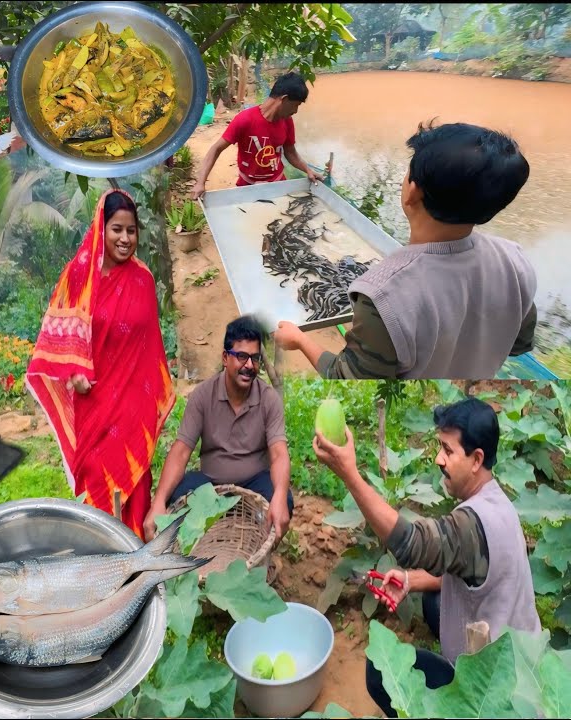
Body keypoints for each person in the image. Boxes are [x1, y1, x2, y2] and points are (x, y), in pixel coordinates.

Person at [312, 397, 541, 717]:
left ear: (476, 459)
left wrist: (349, 474)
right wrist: (411, 580)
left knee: (380, 673)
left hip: (495, 695)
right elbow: (467, 568)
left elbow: (410, 544)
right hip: (522, 662)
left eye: (448, 451)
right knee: (435, 602)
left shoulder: (473, 526)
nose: (438, 459)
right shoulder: (496, 503)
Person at [274, 121, 538, 380]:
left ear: (412, 191)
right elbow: (518, 344)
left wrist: (299, 340)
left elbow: (346, 376)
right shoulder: (516, 263)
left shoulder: (382, 295)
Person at [26, 189, 175, 539]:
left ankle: (134, 563)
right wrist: (74, 371)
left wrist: (150, 398)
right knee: (96, 480)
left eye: (131, 231)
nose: (125, 239)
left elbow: (151, 348)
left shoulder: (143, 280)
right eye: (117, 229)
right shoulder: (79, 277)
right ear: (101, 229)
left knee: (135, 488)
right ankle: (99, 560)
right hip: (94, 404)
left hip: (134, 406)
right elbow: (56, 337)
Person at [143, 316, 292, 543]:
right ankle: (200, 553)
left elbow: (279, 452)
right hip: (211, 486)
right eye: (241, 356)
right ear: (225, 358)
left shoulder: (268, 399)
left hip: (255, 484)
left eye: (255, 358)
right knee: (177, 494)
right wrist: (158, 502)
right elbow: (181, 451)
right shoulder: (203, 396)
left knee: (284, 501)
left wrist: (280, 495)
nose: (249, 365)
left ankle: (261, 554)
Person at [192, 72, 322, 200]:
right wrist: (200, 183)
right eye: (296, 105)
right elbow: (216, 149)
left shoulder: (287, 121)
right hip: (247, 187)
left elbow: (290, 152)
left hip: (278, 185)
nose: (295, 111)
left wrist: (308, 170)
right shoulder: (245, 120)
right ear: (284, 99)